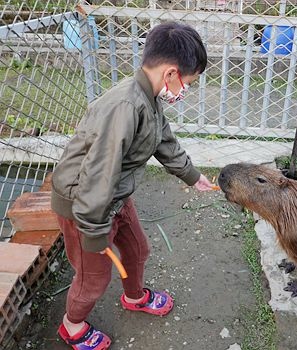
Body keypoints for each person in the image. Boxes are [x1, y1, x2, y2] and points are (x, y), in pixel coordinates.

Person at [50, 22, 215, 349]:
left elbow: (163, 141)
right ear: (171, 73)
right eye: (189, 83)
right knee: (93, 277)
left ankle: (135, 297)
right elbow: (98, 175)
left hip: (114, 197)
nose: (186, 91)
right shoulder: (125, 106)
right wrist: (94, 232)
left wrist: (192, 176)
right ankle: (72, 325)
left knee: (138, 249)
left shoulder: (149, 97)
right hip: (85, 207)